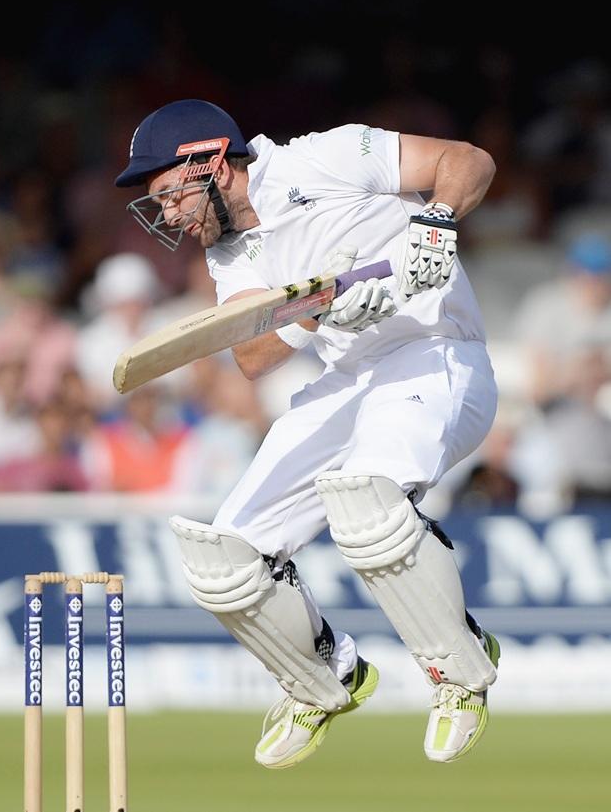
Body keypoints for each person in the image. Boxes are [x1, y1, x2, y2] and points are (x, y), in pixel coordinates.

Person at [115, 99, 501, 768]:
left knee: (369, 507)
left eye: (169, 194)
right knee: (227, 557)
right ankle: (325, 675)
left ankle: (461, 671)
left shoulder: (323, 157)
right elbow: (253, 352)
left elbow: (469, 161)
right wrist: (323, 303)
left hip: (435, 353)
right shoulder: (230, 251)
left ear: (211, 162)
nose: (169, 215)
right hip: (347, 379)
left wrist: (433, 225)